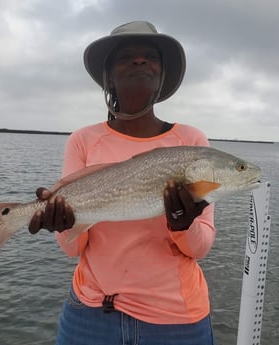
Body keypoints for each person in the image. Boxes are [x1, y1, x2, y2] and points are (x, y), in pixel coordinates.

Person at [29, 21, 216, 345]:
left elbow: (199, 248)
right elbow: (72, 249)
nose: (140, 60)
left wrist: (183, 224)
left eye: (150, 56)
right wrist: (63, 223)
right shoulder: (83, 140)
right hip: (89, 315)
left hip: (177, 319)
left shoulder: (191, 141)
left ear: (162, 75)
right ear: (109, 76)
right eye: (126, 56)